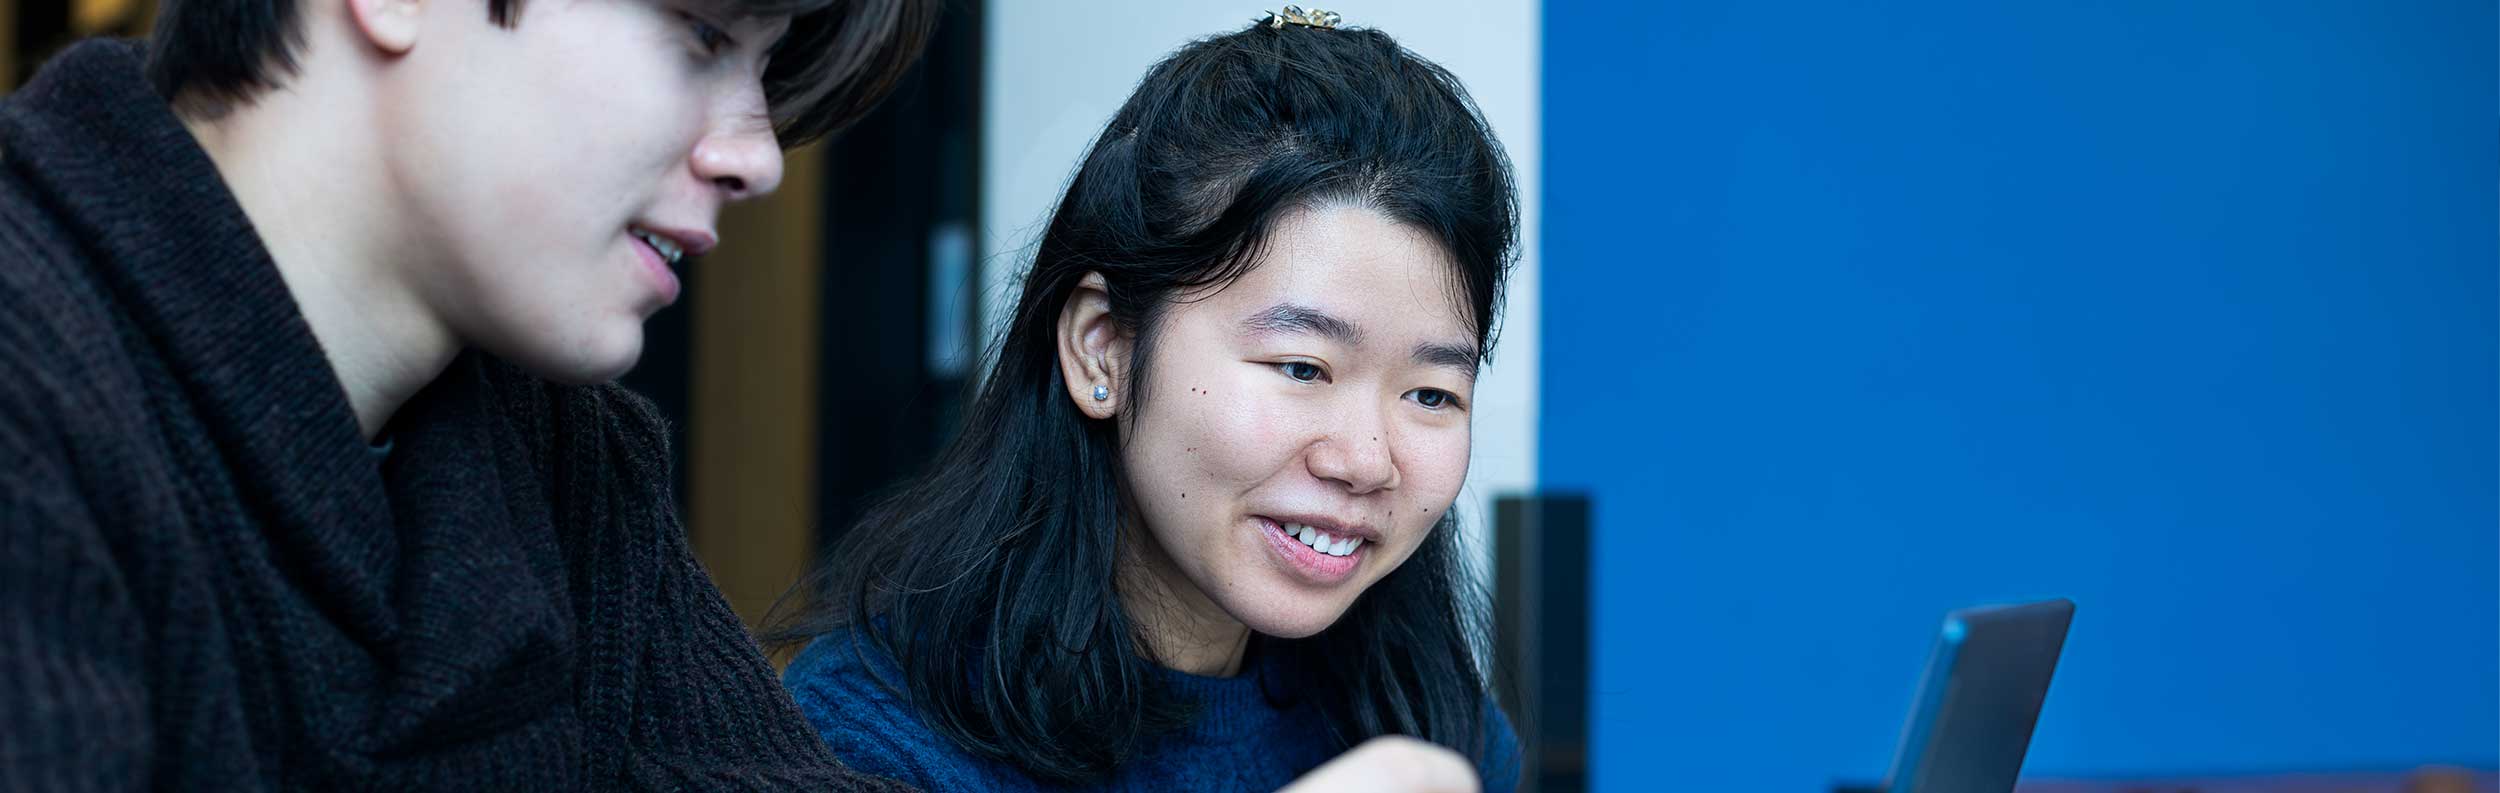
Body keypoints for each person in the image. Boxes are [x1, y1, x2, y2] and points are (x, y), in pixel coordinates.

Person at [0, 0, 932, 788]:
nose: (758, 158)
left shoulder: (563, 454)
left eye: (764, 64)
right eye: (700, 37)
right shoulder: (37, 396)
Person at [772, 13, 1524, 792]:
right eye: (1302, 367)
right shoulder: (871, 737)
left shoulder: (1432, 727)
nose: (1368, 460)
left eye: (1432, 393)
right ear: (1103, 347)